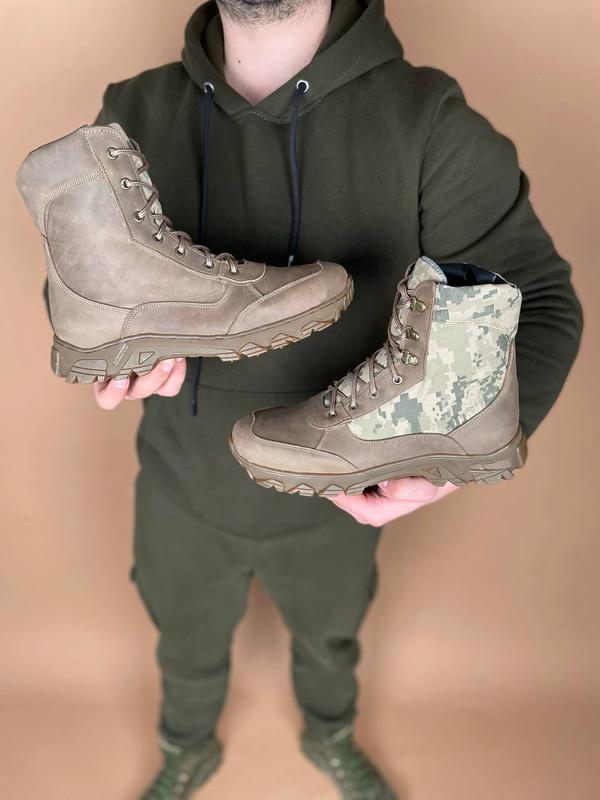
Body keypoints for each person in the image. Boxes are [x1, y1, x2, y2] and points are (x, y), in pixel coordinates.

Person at [79, 0, 582, 796]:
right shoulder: (130, 112)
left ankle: (331, 736)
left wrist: (452, 453)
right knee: (183, 644)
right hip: (180, 483)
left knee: (331, 643)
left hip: (338, 500)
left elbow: (541, 302)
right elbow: (81, 285)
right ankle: (184, 750)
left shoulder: (429, 121)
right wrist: (116, 349)